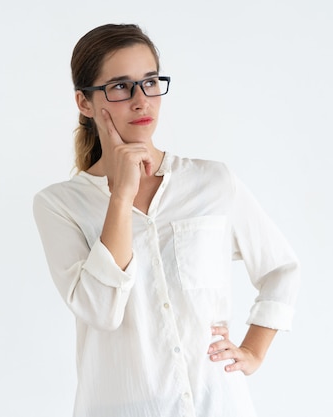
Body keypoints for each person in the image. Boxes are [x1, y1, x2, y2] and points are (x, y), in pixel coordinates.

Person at [33, 23, 300, 417]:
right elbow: (101, 311)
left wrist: (253, 351)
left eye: (151, 82)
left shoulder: (212, 182)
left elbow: (280, 268)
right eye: (120, 87)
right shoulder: (60, 205)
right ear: (85, 103)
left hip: (218, 404)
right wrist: (121, 195)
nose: (142, 101)